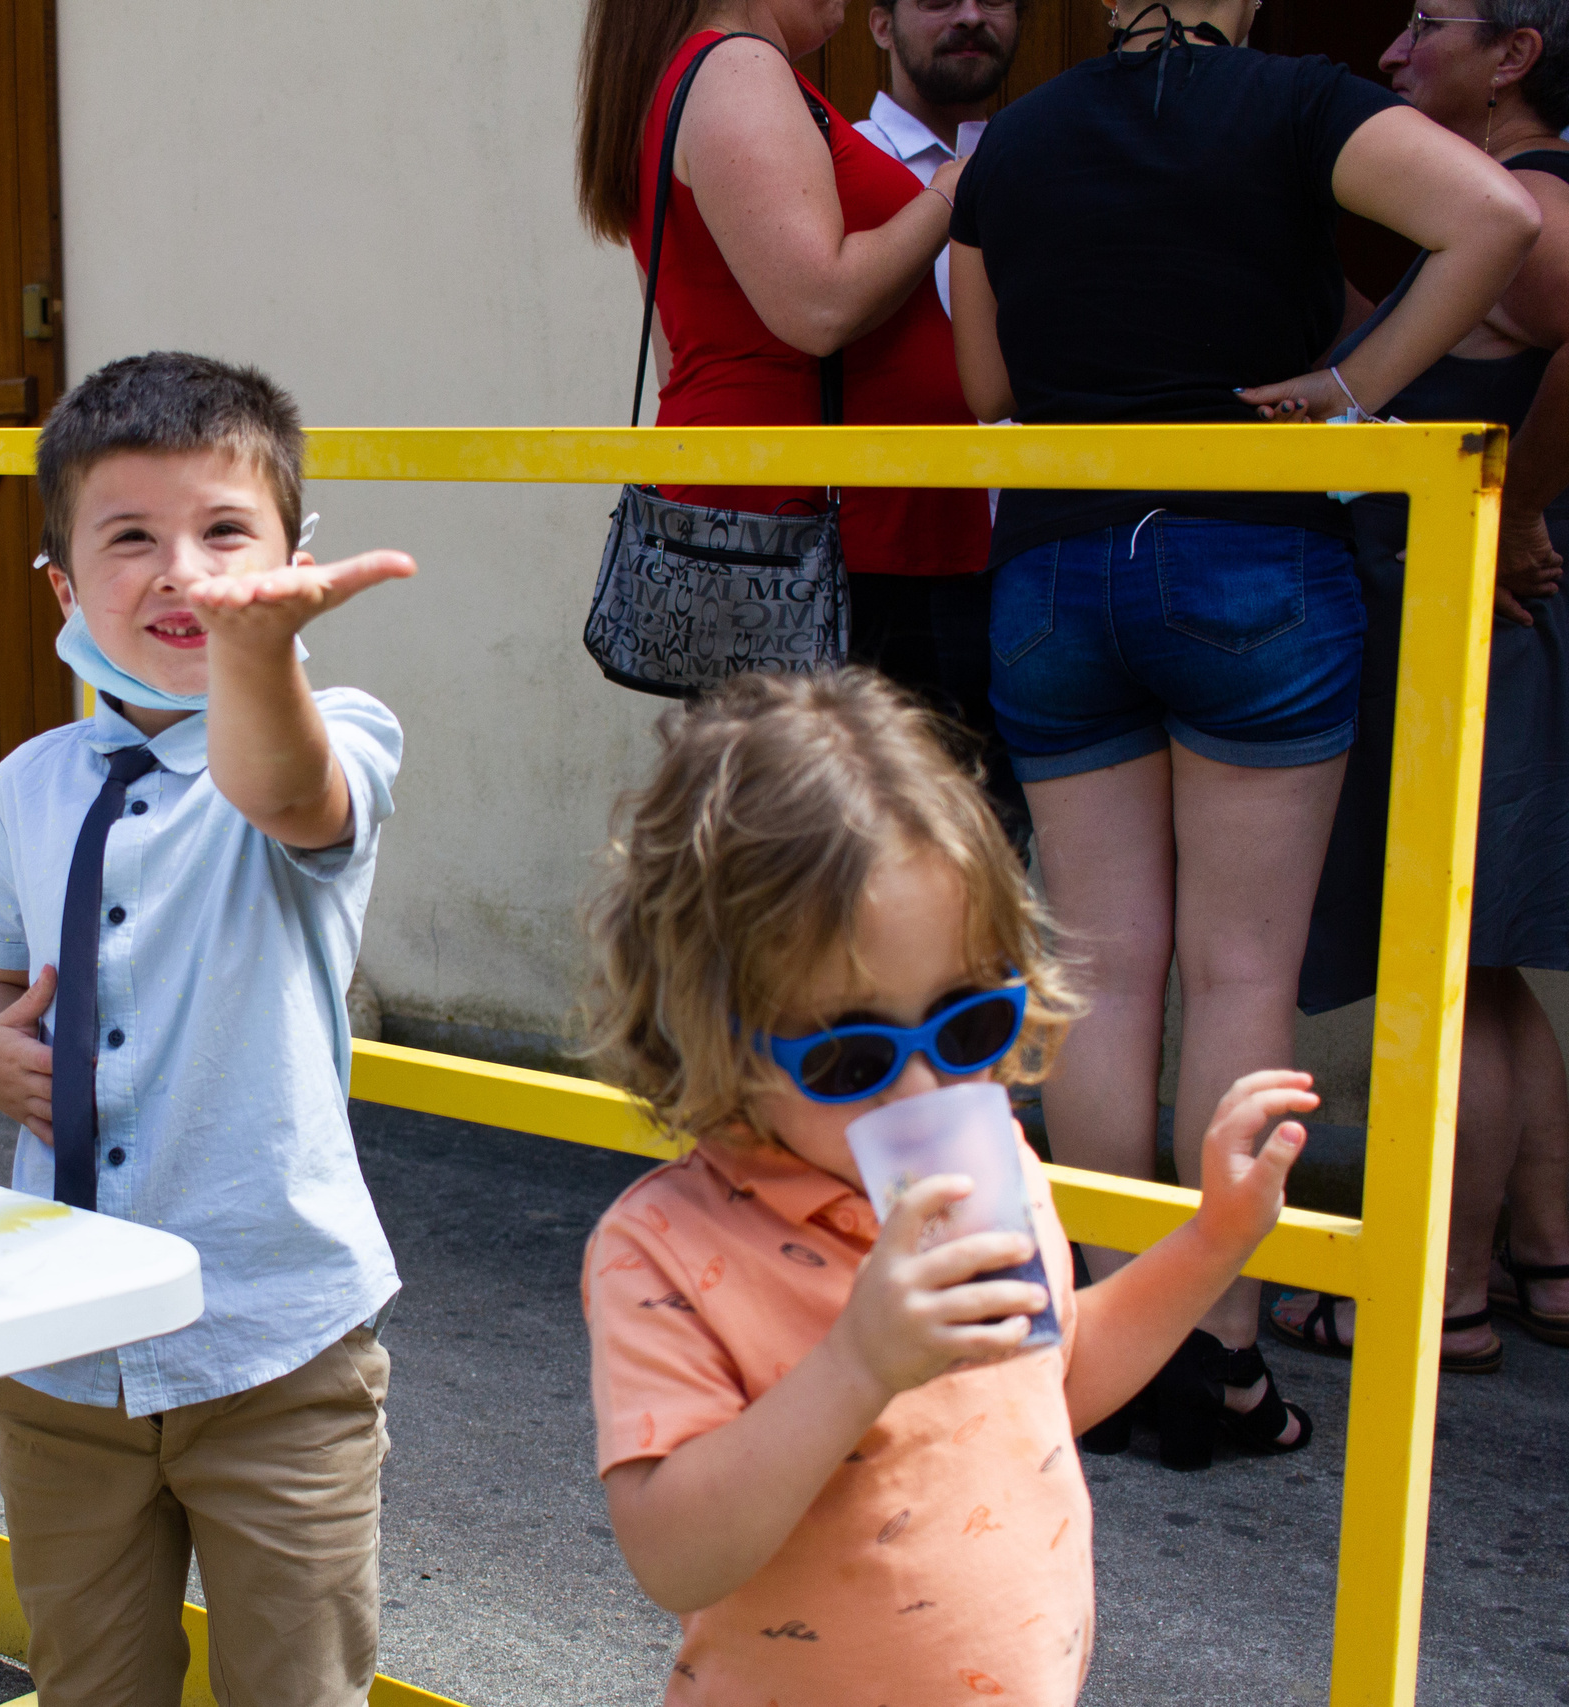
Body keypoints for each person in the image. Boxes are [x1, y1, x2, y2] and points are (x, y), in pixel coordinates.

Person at [946, 0, 1540, 1462]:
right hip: (1253, 560)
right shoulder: (1295, 102)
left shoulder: (1013, 138)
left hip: (1054, 565)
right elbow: (1492, 217)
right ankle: (1217, 1351)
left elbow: (986, 393)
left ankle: (1106, 1336)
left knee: (1095, 968)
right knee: (1241, 972)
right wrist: (1353, 396)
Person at [580, 669, 1314, 1705]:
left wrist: (1210, 1243)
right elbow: (673, 1556)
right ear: (709, 1035)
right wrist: (858, 1365)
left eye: (967, 1026)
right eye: (849, 1056)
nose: (926, 1087)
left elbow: (1040, 1389)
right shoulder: (663, 1246)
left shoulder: (993, 1161)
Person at [0, 352, 415, 1707]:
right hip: (58, 1354)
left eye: (224, 532)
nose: (183, 573)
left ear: (291, 555)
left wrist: (260, 651)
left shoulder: (334, 733)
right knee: (91, 1683)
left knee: (299, 1686)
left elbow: (292, 789)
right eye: (132, 538)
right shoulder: (27, 784)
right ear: (64, 585)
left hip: (275, 1346)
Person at [1280, 1, 1569, 1373]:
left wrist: (1519, 504)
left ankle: (1438, 1291)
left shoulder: (1526, 206)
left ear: (1513, 57)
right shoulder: (1492, 214)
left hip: (1483, 612)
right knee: (1487, 962)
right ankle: (1545, 1253)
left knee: (1445, 964)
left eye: (1431, 24)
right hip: (1478, 614)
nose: (1393, 51)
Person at [576, 0, 1021, 844]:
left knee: (800, 861)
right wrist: (948, 192)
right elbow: (818, 302)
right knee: (901, 862)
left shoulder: (684, 79)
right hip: (848, 549)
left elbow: (682, 348)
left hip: (801, 537)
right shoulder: (740, 71)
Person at [851, 0, 1022, 316]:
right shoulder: (838, 166)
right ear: (883, 27)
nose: (971, 17)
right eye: (940, 2)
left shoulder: (1038, 165)